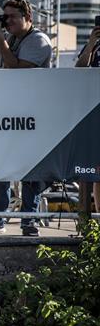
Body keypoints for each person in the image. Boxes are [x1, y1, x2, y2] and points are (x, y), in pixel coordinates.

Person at [0, 0, 53, 236]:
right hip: (5, 112)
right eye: (4, 17)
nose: (7, 22)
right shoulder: (7, 38)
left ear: (28, 18)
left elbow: (19, 69)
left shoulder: (38, 40)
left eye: (12, 17)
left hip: (32, 115)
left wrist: (2, 44)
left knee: (31, 171)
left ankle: (29, 220)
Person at [74, 21, 100, 213]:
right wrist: (91, 43)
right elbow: (80, 68)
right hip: (93, 112)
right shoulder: (95, 44)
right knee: (96, 171)